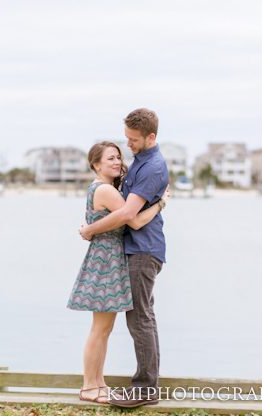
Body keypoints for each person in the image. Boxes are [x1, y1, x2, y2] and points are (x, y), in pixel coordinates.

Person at [79, 109, 169, 408]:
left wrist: (90, 229)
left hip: (142, 250)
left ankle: (143, 388)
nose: (125, 149)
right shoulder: (132, 169)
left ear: (150, 137)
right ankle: (96, 384)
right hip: (119, 256)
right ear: (95, 165)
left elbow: (131, 216)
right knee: (118, 323)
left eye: (132, 141)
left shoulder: (152, 166)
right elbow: (128, 215)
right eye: (114, 156)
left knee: (139, 319)